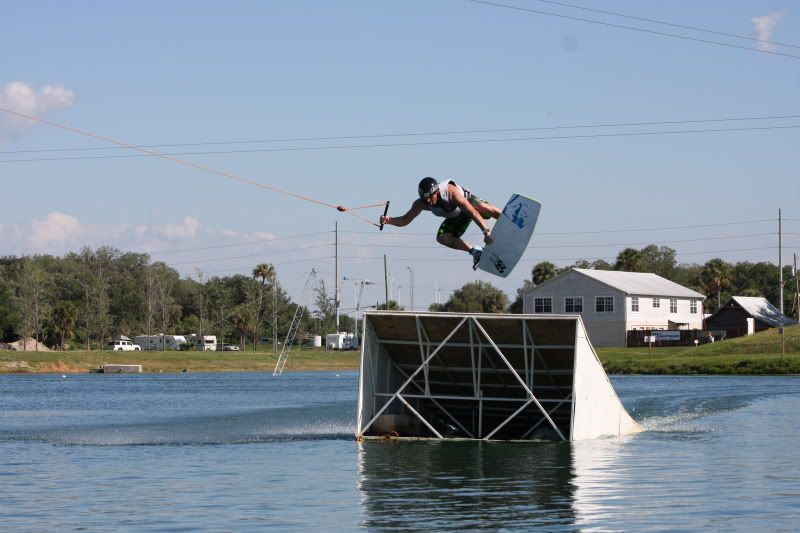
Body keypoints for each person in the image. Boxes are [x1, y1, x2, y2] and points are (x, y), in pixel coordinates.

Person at [380, 177, 501, 268]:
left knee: (482, 208)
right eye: (424, 198)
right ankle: (476, 252)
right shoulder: (421, 203)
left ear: (436, 192)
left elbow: (472, 212)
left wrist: (486, 231)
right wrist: (389, 220)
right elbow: (405, 220)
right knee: (442, 238)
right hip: (456, 217)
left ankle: (504, 216)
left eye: (430, 197)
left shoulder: (450, 191)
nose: (428, 201)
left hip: (468, 205)